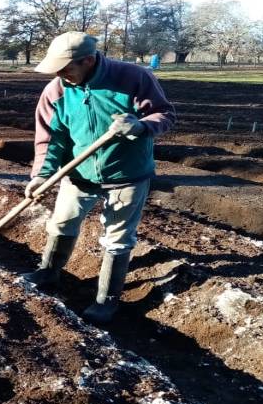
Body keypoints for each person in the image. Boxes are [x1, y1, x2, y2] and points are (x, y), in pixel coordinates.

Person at [25, 31, 176, 324]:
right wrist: (41, 176)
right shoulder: (56, 91)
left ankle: (106, 300)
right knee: (62, 222)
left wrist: (140, 126)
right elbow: (49, 140)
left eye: (66, 68)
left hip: (127, 175)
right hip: (78, 174)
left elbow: (165, 115)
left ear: (88, 60)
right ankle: (48, 272)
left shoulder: (133, 78)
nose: (60, 75)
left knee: (118, 237)